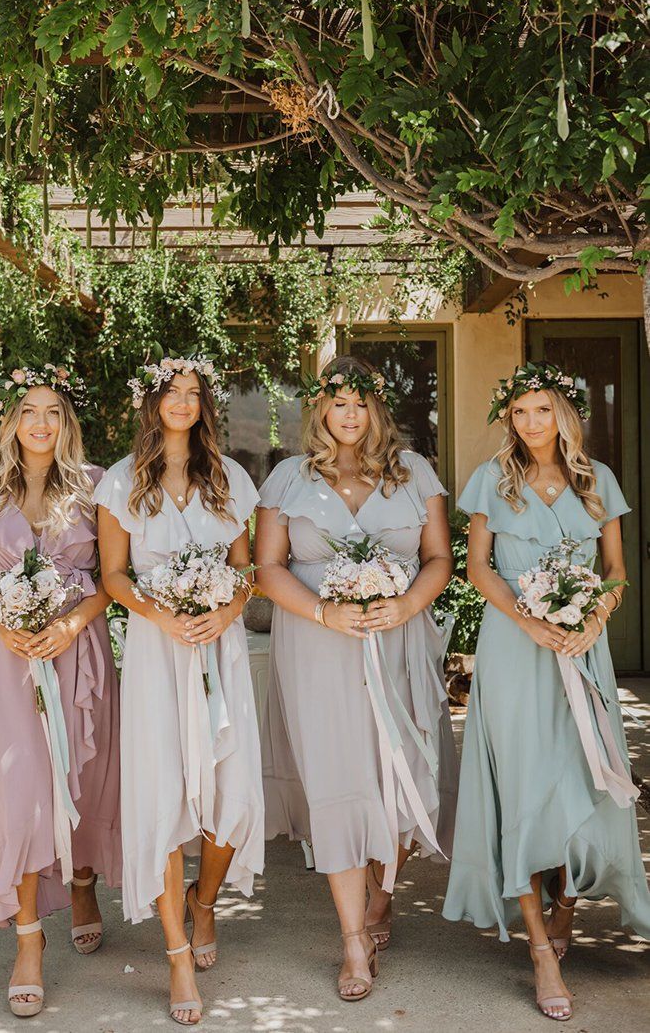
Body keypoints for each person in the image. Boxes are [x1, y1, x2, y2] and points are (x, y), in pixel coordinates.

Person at [443, 361, 650, 1022]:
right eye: (521, 412)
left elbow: (615, 572)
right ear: (509, 418)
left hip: (585, 655)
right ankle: (538, 948)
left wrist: (590, 619)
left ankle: (565, 905)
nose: (532, 423)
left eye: (544, 410)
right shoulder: (491, 484)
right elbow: (477, 569)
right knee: (524, 786)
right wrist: (534, 620)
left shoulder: (598, 484)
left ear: (566, 415)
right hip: (512, 650)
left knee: (585, 779)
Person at [255, 355, 457, 1002]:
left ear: (376, 410)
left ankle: (380, 894)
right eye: (337, 401)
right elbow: (268, 568)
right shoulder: (287, 480)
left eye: (360, 402)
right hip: (317, 652)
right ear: (320, 408)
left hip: (397, 648)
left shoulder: (414, 473)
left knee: (393, 778)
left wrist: (403, 604)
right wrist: (323, 608)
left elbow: (438, 558)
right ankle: (351, 942)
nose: (349, 413)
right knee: (340, 784)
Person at [96, 353, 263, 1026]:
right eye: (173, 391)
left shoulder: (230, 479)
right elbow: (113, 576)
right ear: (152, 402)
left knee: (233, 796)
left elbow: (246, 568)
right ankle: (175, 958)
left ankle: (204, 901)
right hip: (156, 651)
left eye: (195, 393)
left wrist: (227, 611)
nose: (184, 402)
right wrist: (163, 614)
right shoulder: (119, 485)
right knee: (164, 794)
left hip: (219, 651)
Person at [0, 364, 121, 1018]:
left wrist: (73, 621)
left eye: (54, 411)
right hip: (10, 660)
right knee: (21, 793)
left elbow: (114, 577)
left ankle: (82, 884)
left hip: (79, 653)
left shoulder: (95, 487)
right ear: (12, 421)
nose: (42, 422)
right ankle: (28, 942)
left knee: (81, 778)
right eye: (30, 409)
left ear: (67, 423)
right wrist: (3, 620)